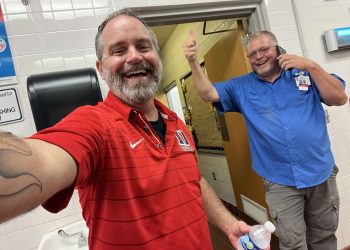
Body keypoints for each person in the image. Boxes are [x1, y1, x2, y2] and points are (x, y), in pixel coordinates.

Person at [0, 9, 256, 250]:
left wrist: (228, 223)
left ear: (157, 57)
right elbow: (39, 160)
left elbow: (193, 180)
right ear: (101, 69)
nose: (134, 56)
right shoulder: (94, 125)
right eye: (119, 50)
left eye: (143, 46)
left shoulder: (175, 122)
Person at [183, 30, 348, 250]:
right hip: (280, 181)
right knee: (292, 243)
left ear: (278, 50)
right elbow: (208, 93)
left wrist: (311, 65)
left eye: (264, 49)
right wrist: (193, 62)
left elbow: (339, 98)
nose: (258, 57)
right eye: (252, 54)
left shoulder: (304, 74)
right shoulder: (240, 86)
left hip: (321, 172)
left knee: (324, 238)